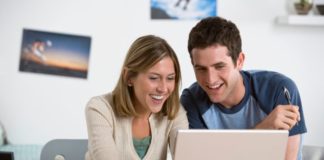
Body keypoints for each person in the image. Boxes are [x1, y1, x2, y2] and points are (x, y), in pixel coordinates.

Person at [180, 16, 307, 160]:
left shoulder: (280, 89)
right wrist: (264, 129)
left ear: (239, 61)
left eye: (219, 66)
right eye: (201, 69)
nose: (210, 79)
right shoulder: (191, 100)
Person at [85, 35, 188, 160]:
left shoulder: (175, 113)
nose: (163, 88)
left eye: (170, 78)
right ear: (129, 77)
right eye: (154, 78)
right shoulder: (100, 109)